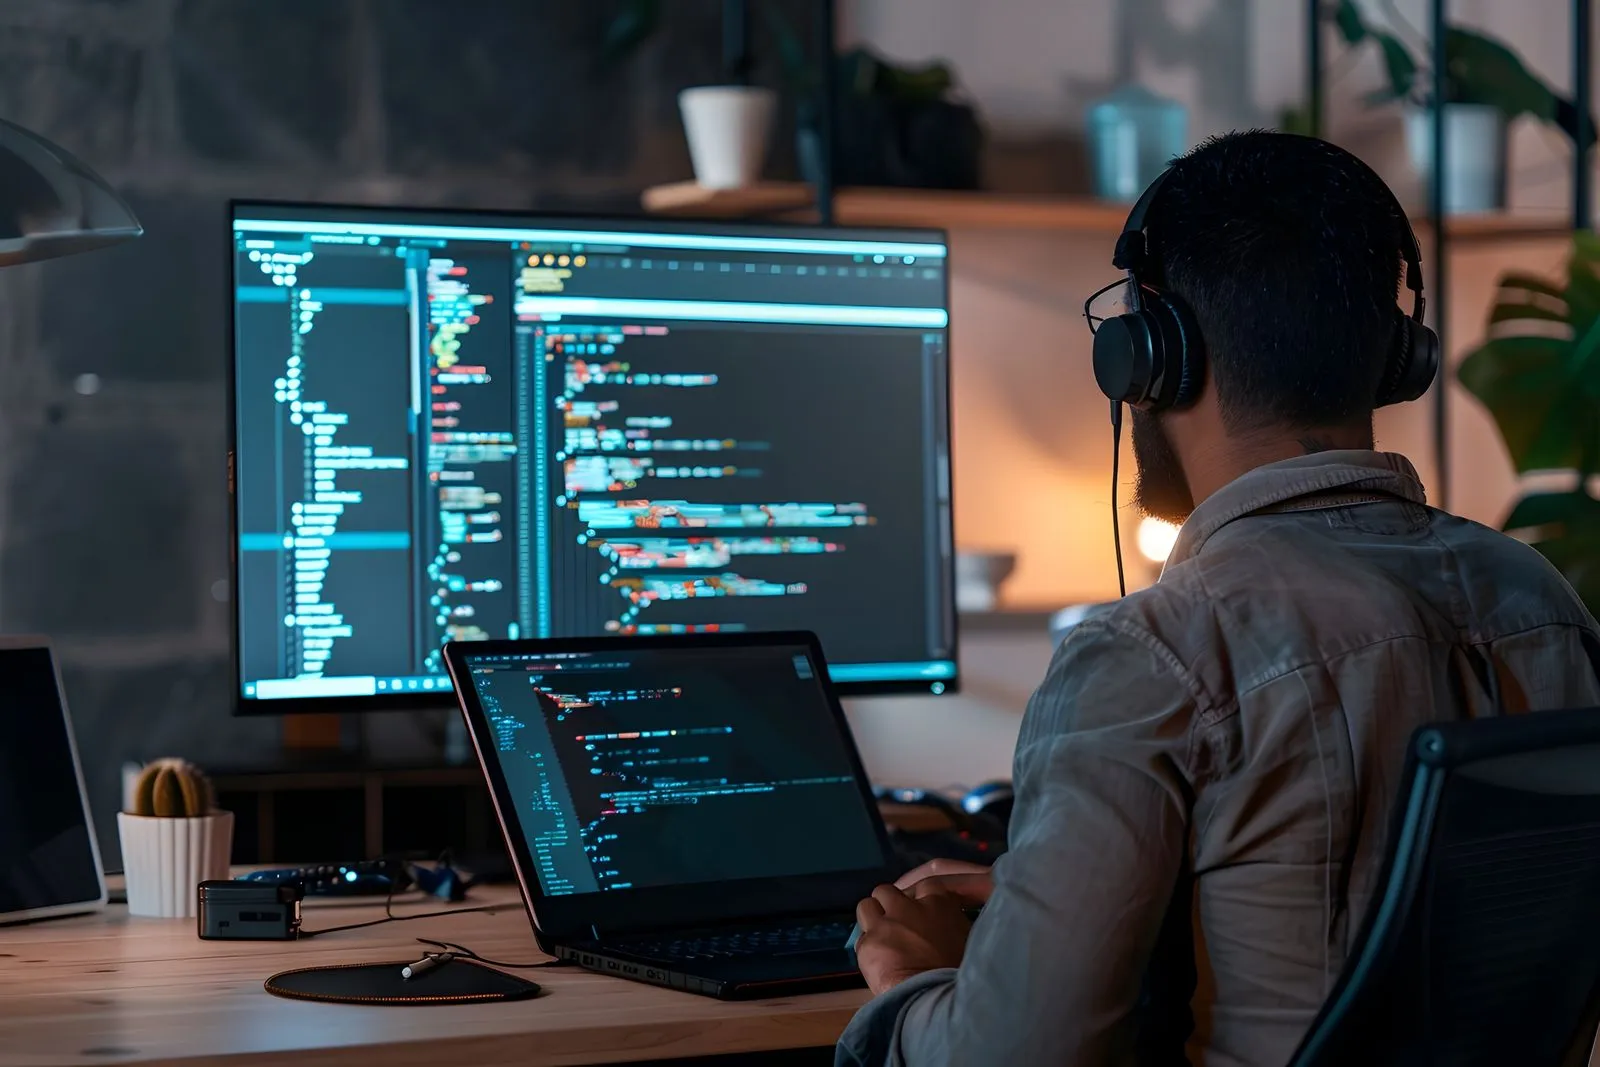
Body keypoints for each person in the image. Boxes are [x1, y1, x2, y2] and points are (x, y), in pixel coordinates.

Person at [836, 131, 1600, 1067]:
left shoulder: (1156, 651)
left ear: (1151, 355)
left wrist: (921, 979)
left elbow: (1013, 1054)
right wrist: (1061, 906)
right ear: (1399, 353)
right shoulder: (1546, 602)